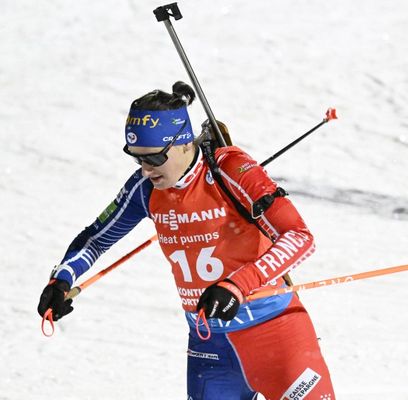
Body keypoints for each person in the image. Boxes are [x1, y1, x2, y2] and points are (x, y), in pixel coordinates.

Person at [37, 81, 336, 400]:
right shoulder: (145, 188)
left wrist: (237, 284)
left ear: (182, 144)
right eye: (137, 159)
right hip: (209, 345)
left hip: (276, 334)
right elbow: (96, 238)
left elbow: (298, 237)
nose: (145, 169)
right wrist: (61, 279)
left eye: (154, 158)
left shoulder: (229, 169)